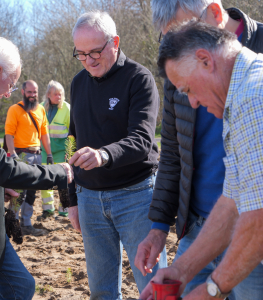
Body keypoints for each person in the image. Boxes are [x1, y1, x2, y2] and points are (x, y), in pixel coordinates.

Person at [136, 1, 263, 298]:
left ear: (205, 59)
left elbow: (258, 220)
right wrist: (182, 270)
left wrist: (211, 290)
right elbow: (233, 199)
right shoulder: (237, 94)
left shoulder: (252, 98)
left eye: (189, 90)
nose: (191, 103)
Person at [0, 37, 73, 300]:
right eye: (11, 85)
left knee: (20, 286)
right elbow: (2, 167)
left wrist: (0, 185)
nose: (7, 93)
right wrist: (60, 172)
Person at [68, 10, 167, 300]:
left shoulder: (139, 79)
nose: (89, 60)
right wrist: (72, 198)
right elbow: (72, 141)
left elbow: (142, 139)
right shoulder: (77, 83)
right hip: (89, 200)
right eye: (81, 54)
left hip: (136, 196)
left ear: (115, 42)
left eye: (95, 51)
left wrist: (104, 155)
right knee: (101, 290)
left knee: (151, 286)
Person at [5, 80, 54, 236]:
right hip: (21, 155)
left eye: (35, 92)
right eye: (29, 92)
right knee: (19, 192)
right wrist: (13, 155)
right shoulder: (14, 109)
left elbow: (45, 134)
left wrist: (50, 153)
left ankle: (26, 224)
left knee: (32, 192)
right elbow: (8, 134)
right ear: (23, 92)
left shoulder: (40, 110)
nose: (32, 95)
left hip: (37, 155)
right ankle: (12, 224)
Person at [37, 80, 70, 221]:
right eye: (56, 94)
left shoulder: (67, 108)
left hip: (62, 149)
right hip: (44, 150)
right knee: (45, 180)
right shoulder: (40, 108)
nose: (59, 96)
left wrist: (70, 152)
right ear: (48, 95)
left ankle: (64, 210)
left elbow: (72, 131)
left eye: (61, 94)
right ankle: (48, 210)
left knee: (64, 180)